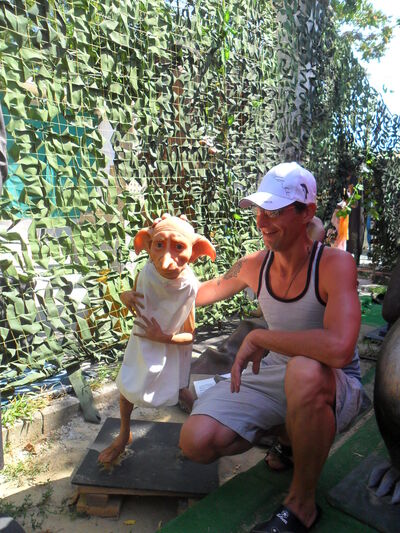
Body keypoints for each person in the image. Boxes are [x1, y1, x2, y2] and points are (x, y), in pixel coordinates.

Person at [177, 162, 368, 532]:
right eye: (259, 211)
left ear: (307, 212)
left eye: (275, 211)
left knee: (304, 370)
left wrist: (261, 337)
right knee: (195, 441)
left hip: (332, 381)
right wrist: (170, 257)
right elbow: (200, 293)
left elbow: (339, 349)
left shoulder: (335, 265)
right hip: (277, 374)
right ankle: (290, 437)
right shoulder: (254, 265)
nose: (262, 222)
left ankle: (301, 506)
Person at [98, 215, 215, 464]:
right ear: (147, 244)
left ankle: (204, 425)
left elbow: (190, 336)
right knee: (127, 389)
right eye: (159, 245)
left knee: (180, 389)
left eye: (179, 247)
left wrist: (164, 337)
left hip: (171, 347)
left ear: (196, 251)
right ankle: (124, 434)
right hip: (142, 343)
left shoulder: (189, 286)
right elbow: (135, 295)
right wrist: (125, 296)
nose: (166, 260)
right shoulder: (147, 270)